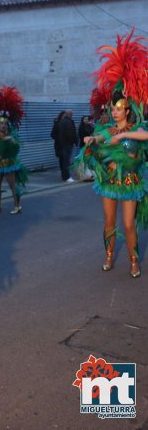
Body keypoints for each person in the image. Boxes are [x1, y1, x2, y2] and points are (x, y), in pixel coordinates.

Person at [78, 31, 148, 278]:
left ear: (128, 110)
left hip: (130, 184)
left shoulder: (138, 128)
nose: (115, 112)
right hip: (109, 182)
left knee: (128, 224)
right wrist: (91, 139)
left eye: (119, 109)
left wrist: (124, 136)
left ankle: (133, 259)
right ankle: (108, 255)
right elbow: (101, 138)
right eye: (112, 108)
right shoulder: (106, 129)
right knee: (109, 223)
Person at [0, 85, 28, 214]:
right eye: (0, 123)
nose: (2, 125)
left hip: (9, 165)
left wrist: (9, 140)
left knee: (12, 186)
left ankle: (17, 206)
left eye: (4, 123)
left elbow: (16, 148)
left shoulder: (12, 136)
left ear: (8, 124)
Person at [57, 109, 78, 182]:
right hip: (67, 144)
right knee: (66, 161)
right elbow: (70, 133)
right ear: (69, 114)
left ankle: (64, 176)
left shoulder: (61, 121)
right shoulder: (68, 122)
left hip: (63, 144)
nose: (72, 115)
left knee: (63, 161)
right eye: (72, 113)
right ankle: (67, 177)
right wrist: (74, 141)